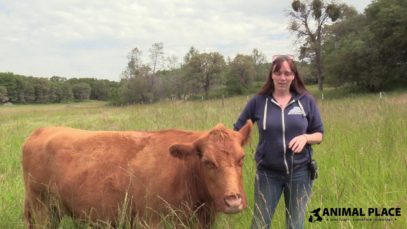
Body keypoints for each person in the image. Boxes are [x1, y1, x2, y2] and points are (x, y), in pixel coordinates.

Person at [233, 55, 324, 229]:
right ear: (272, 75)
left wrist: (305, 137)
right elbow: (237, 131)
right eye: (278, 73)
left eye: (287, 73)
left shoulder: (306, 101)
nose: (283, 78)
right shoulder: (258, 102)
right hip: (268, 174)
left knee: (295, 225)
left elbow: (319, 134)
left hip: (300, 173)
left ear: (293, 76)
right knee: (259, 224)